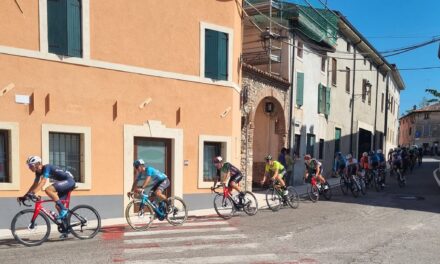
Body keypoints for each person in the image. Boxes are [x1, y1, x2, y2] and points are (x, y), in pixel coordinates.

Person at [20, 156, 76, 239]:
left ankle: (64, 209)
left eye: (31, 165)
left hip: (69, 181)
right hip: (63, 183)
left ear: (38, 164)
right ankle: (66, 229)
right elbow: (34, 185)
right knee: (58, 206)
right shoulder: (38, 172)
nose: (29, 168)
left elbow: (43, 182)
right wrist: (25, 196)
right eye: (29, 166)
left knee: (48, 189)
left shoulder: (47, 167)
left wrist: (33, 193)